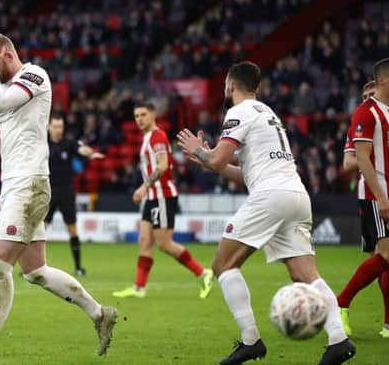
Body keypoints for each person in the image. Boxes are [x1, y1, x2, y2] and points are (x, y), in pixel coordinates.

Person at [0, 33, 117, 364]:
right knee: (35, 271)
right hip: (16, 184)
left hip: (29, 183)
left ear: (8, 55)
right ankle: (100, 314)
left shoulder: (34, 74)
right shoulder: (1, 83)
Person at [177, 61, 355, 365]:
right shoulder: (267, 113)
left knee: (223, 265)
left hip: (271, 196)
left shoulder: (238, 112)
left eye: (225, 86)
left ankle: (251, 342)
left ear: (231, 86)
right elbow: (242, 172)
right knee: (305, 274)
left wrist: (199, 151)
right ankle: (339, 339)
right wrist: (206, 160)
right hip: (296, 195)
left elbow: (218, 160)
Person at [112, 102, 213, 299]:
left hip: (162, 196)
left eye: (143, 115)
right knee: (144, 240)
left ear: (153, 115)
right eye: (136, 116)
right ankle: (139, 288)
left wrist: (144, 187)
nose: (139, 119)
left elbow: (164, 165)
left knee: (164, 244)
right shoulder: (148, 137)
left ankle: (203, 273)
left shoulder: (157, 136)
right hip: (152, 197)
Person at [338, 59, 389, 339]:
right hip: (374, 193)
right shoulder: (364, 115)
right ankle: (340, 303)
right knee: (385, 255)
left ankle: (388, 325)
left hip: (384, 190)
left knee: (383, 257)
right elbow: (351, 162)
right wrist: (381, 194)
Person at [45, 113, 104, 276]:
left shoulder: (68, 143)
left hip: (66, 192)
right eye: (55, 126)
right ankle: (34, 266)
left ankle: (78, 267)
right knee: (40, 230)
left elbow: (81, 148)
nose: (58, 130)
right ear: (49, 127)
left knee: (72, 229)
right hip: (47, 193)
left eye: (60, 127)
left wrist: (90, 153)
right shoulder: (42, 144)